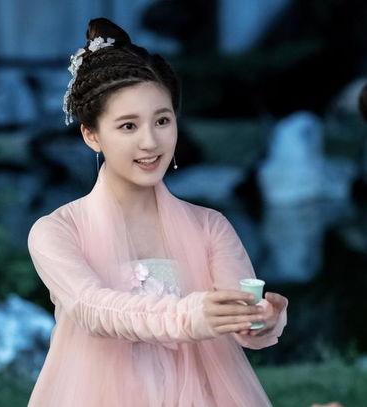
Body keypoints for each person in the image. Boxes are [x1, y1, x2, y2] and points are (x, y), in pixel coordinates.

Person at [27, 17, 288, 406]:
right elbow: (91, 308)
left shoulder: (210, 226)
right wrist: (190, 315)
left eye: (162, 121)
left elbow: (238, 318)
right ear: (91, 134)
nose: (150, 142)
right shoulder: (57, 231)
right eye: (128, 126)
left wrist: (262, 321)